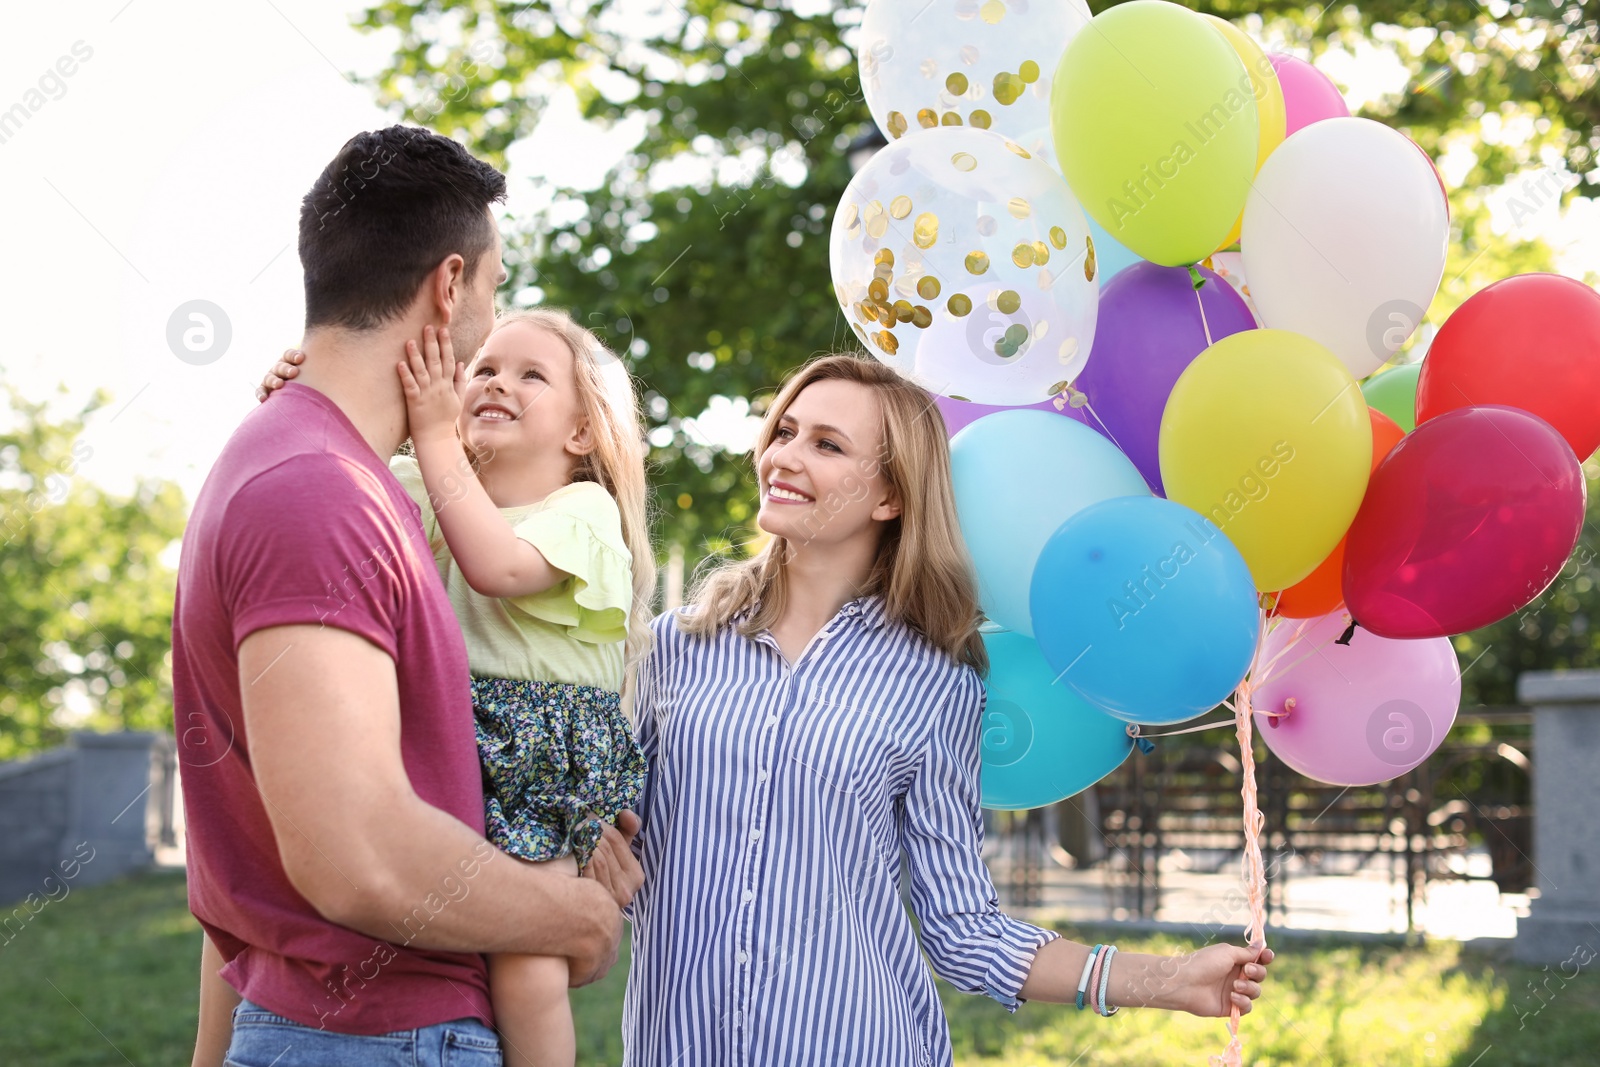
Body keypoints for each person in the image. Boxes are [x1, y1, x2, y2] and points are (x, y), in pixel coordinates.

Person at [620, 353, 1274, 1065]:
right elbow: (606, 849)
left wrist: (1169, 978)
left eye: (826, 444)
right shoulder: (668, 650)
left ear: (889, 498)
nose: (785, 456)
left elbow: (965, 930)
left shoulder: (936, 684)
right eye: (784, 431)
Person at [175, 126, 641, 1067]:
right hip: (379, 1036)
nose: (495, 340)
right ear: (449, 286)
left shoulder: (328, 475)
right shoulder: (317, 491)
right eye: (497, 290)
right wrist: (575, 918)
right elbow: (361, 857)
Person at [387, 308, 654, 1067]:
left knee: (526, 951)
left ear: (579, 433)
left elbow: (498, 566)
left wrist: (435, 435)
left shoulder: (582, 511)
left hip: (539, 748)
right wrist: (286, 384)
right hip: (458, 731)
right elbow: (343, 459)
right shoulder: (427, 480)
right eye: (485, 368)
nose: (498, 381)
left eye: (531, 374)